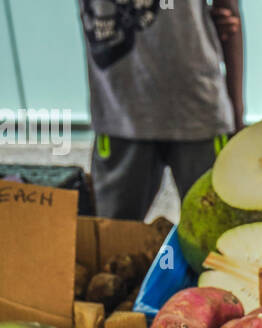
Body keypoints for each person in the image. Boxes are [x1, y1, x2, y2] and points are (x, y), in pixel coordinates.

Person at [78, 0, 244, 220]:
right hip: (120, 108)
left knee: (215, 237)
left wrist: (236, 113)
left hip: (197, 107)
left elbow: (229, 18)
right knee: (114, 243)